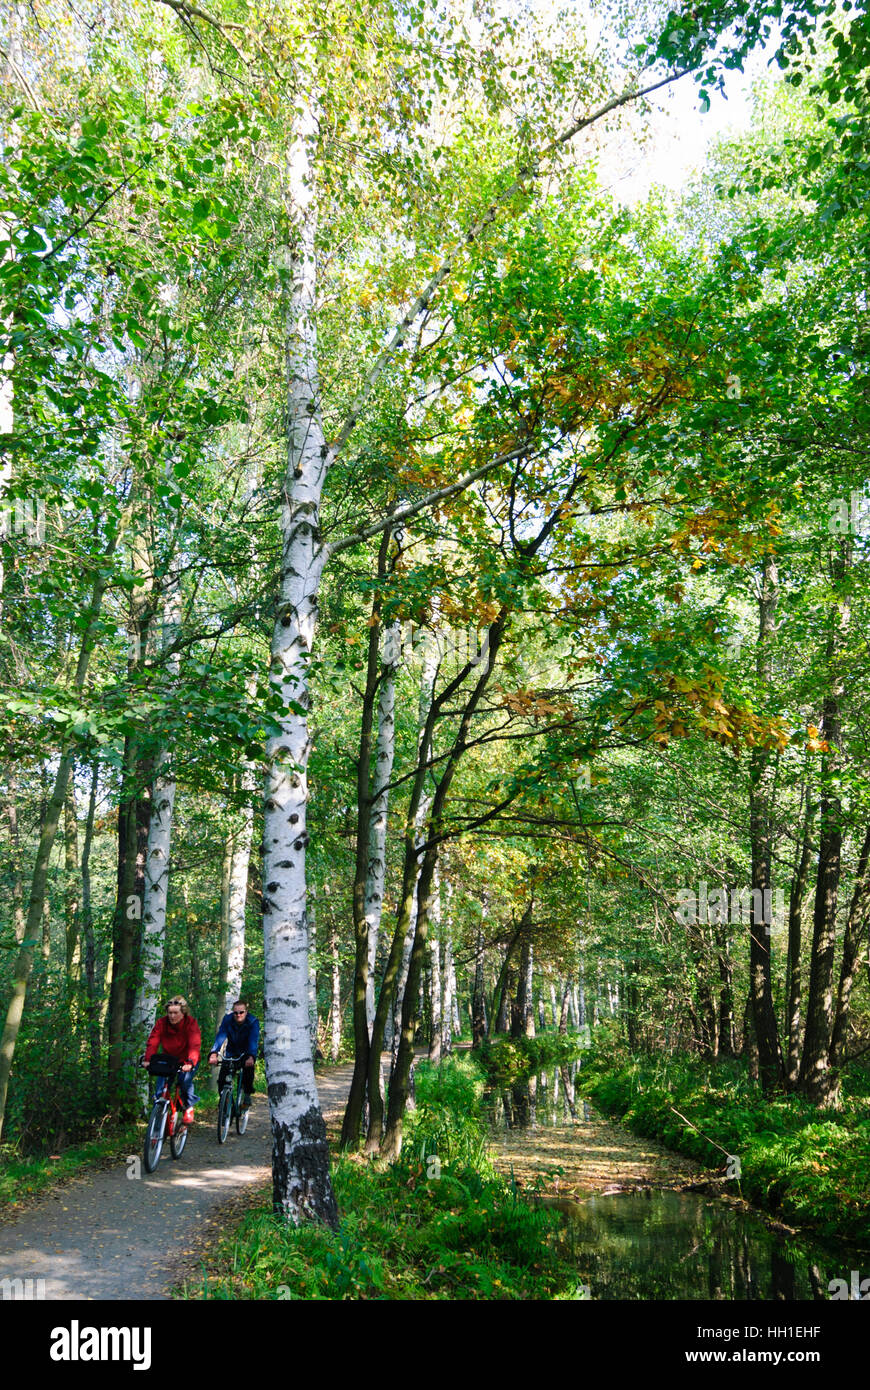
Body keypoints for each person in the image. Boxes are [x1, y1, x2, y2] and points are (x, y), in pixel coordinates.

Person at [142, 996, 202, 1124]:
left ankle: (189, 1106)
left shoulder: (190, 1023)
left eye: (176, 1013)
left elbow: (194, 1044)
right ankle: (157, 1127)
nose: (172, 1016)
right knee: (160, 1092)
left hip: (187, 1061)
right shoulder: (161, 1023)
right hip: (169, 1060)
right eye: (170, 1013)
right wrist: (148, 1059)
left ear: (183, 1013)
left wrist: (190, 1062)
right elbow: (153, 1041)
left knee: (184, 1081)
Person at [208, 1000, 260, 1109]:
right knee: (222, 1078)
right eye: (236, 1013)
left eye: (241, 1012)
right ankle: (225, 1102)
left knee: (248, 1071)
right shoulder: (228, 1019)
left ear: (246, 1012)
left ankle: (246, 1095)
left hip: (246, 1052)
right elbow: (221, 1036)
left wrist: (251, 1056)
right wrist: (214, 1053)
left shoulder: (253, 1021)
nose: (238, 1015)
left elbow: (253, 1040)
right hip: (231, 1052)